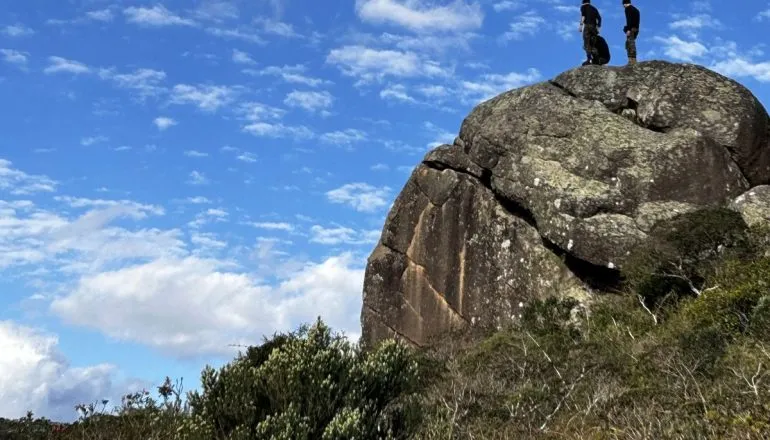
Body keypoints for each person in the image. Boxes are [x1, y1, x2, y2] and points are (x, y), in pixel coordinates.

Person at [579, 0, 601, 65]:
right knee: (593, 44)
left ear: (583, 2)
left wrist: (581, 25)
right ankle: (596, 60)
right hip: (594, 27)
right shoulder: (594, 8)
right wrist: (598, 27)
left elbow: (583, 16)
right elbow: (599, 18)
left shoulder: (583, 7)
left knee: (586, 44)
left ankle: (589, 60)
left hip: (587, 26)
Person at [623, 0, 640, 65]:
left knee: (630, 44)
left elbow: (629, 20)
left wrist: (628, 29)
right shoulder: (636, 10)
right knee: (631, 42)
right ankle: (632, 60)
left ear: (624, 4)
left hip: (631, 29)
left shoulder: (628, 9)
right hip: (636, 29)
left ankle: (632, 61)